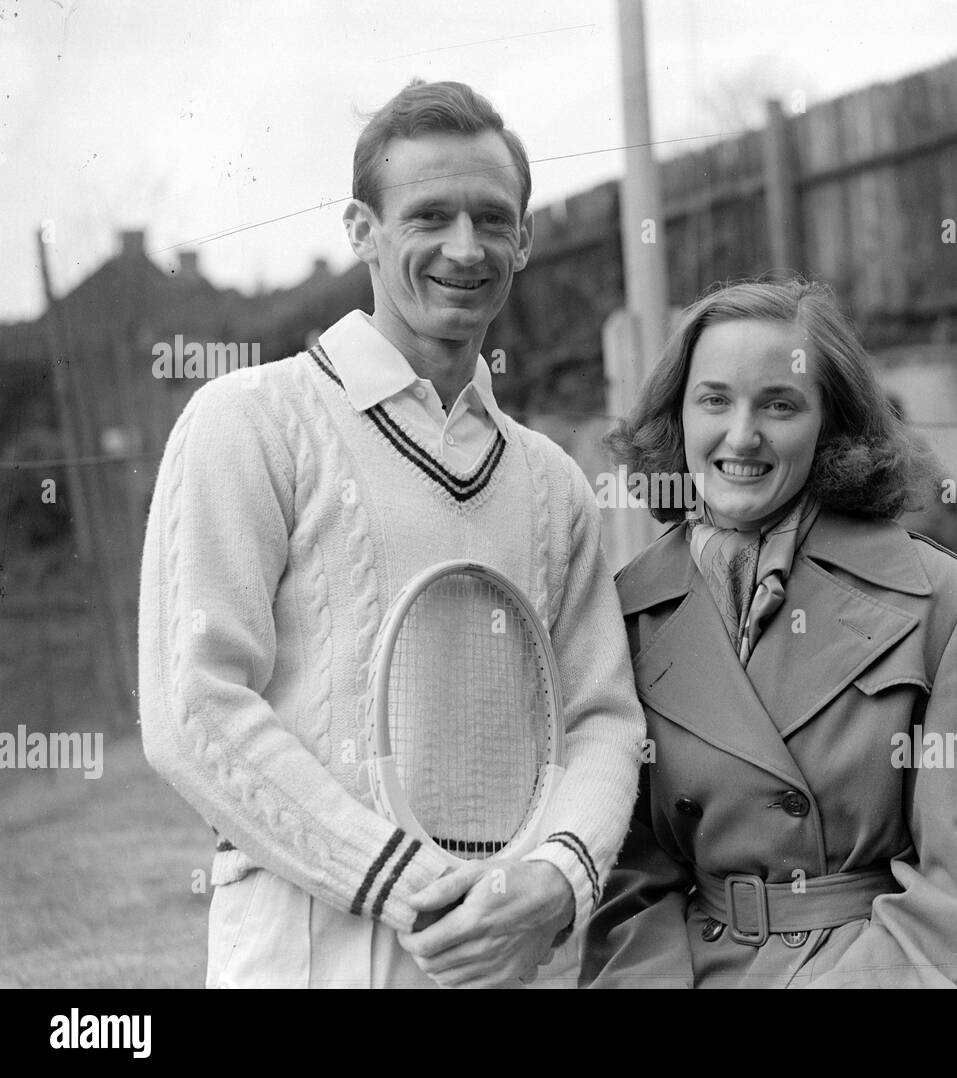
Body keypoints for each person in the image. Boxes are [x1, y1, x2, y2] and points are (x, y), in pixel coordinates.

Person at [139, 80, 644, 988]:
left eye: (494, 218)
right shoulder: (249, 421)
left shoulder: (554, 484)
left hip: (487, 957)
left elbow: (602, 718)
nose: (465, 247)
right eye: (429, 215)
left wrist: (557, 883)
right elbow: (193, 712)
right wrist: (408, 885)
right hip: (297, 952)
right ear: (361, 229)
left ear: (524, 240)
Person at [580, 279, 957, 988]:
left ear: (831, 423)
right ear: (679, 412)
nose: (741, 435)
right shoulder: (625, 612)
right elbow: (627, 880)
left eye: (779, 404)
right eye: (715, 399)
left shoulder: (940, 603)